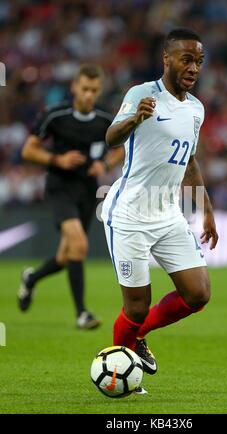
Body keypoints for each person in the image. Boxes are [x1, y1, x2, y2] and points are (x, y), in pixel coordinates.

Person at [101, 28, 218, 377]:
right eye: (186, 59)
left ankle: (138, 338)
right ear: (166, 58)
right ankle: (118, 367)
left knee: (198, 294)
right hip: (131, 215)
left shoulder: (196, 109)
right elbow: (110, 138)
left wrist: (206, 210)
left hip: (168, 215)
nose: (193, 68)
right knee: (135, 308)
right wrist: (134, 117)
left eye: (198, 61)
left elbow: (190, 161)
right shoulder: (142, 93)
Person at [18, 64, 124, 329]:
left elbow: (121, 148)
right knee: (79, 245)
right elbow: (28, 150)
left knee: (67, 256)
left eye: (94, 90)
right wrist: (57, 159)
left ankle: (31, 279)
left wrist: (106, 165)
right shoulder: (55, 115)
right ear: (75, 87)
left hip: (87, 191)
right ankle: (82, 314)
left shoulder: (104, 120)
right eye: (85, 89)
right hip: (59, 187)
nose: (89, 95)